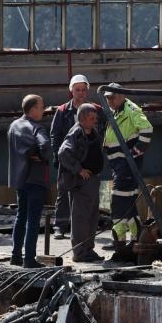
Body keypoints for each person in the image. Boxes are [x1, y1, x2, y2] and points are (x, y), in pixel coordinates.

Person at [50, 74, 105, 238]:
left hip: (88, 159)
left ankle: (83, 228)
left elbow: (103, 128)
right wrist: (58, 157)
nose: (80, 93)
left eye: (83, 90)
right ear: (71, 91)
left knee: (86, 194)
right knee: (64, 192)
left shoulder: (96, 109)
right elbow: (55, 135)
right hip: (69, 159)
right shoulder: (62, 111)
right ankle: (60, 226)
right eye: (77, 90)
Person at [103, 83, 153, 249]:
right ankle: (136, 237)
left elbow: (147, 130)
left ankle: (119, 241)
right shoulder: (116, 110)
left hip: (126, 166)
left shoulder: (131, 110)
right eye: (108, 98)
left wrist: (134, 153)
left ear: (122, 96)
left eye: (113, 97)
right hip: (119, 165)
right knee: (129, 203)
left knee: (118, 202)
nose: (109, 100)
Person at [7, 94, 52, 268]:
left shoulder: (13, 126)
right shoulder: (37, 128)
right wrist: (42, 156)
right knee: (33, 219)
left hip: (20, 179)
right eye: (41, 107)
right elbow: (46, 147)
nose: (43, 110)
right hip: (36, 178)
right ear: (33, 109)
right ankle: (29, 259)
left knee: (21, 216)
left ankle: (15, 256)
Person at [58, 103, 104, 263]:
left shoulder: (91, 131)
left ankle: (88, 250)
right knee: (80, 218)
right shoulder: (77, 132)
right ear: (83, 118)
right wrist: (79, 170)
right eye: (92, 118)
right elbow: (63, 152)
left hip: (92, 180)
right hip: (82, 182)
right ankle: (80, 253)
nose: (95, 121)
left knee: (92, 216)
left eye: (95, 118)